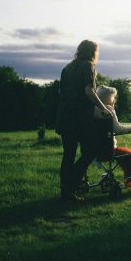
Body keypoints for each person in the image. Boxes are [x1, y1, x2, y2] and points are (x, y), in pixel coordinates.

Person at [55, 40, 112, 202]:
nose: (97, 54)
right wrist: (103, 108)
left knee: (69, 154)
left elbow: (61, 92)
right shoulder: (88, 66)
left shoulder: (67, 68)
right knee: (91, 150)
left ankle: (66, 192)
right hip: (79, 119)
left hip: (64, 117)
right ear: (92, 52)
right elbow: (89, 91)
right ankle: (71, 184)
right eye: (97, 51)